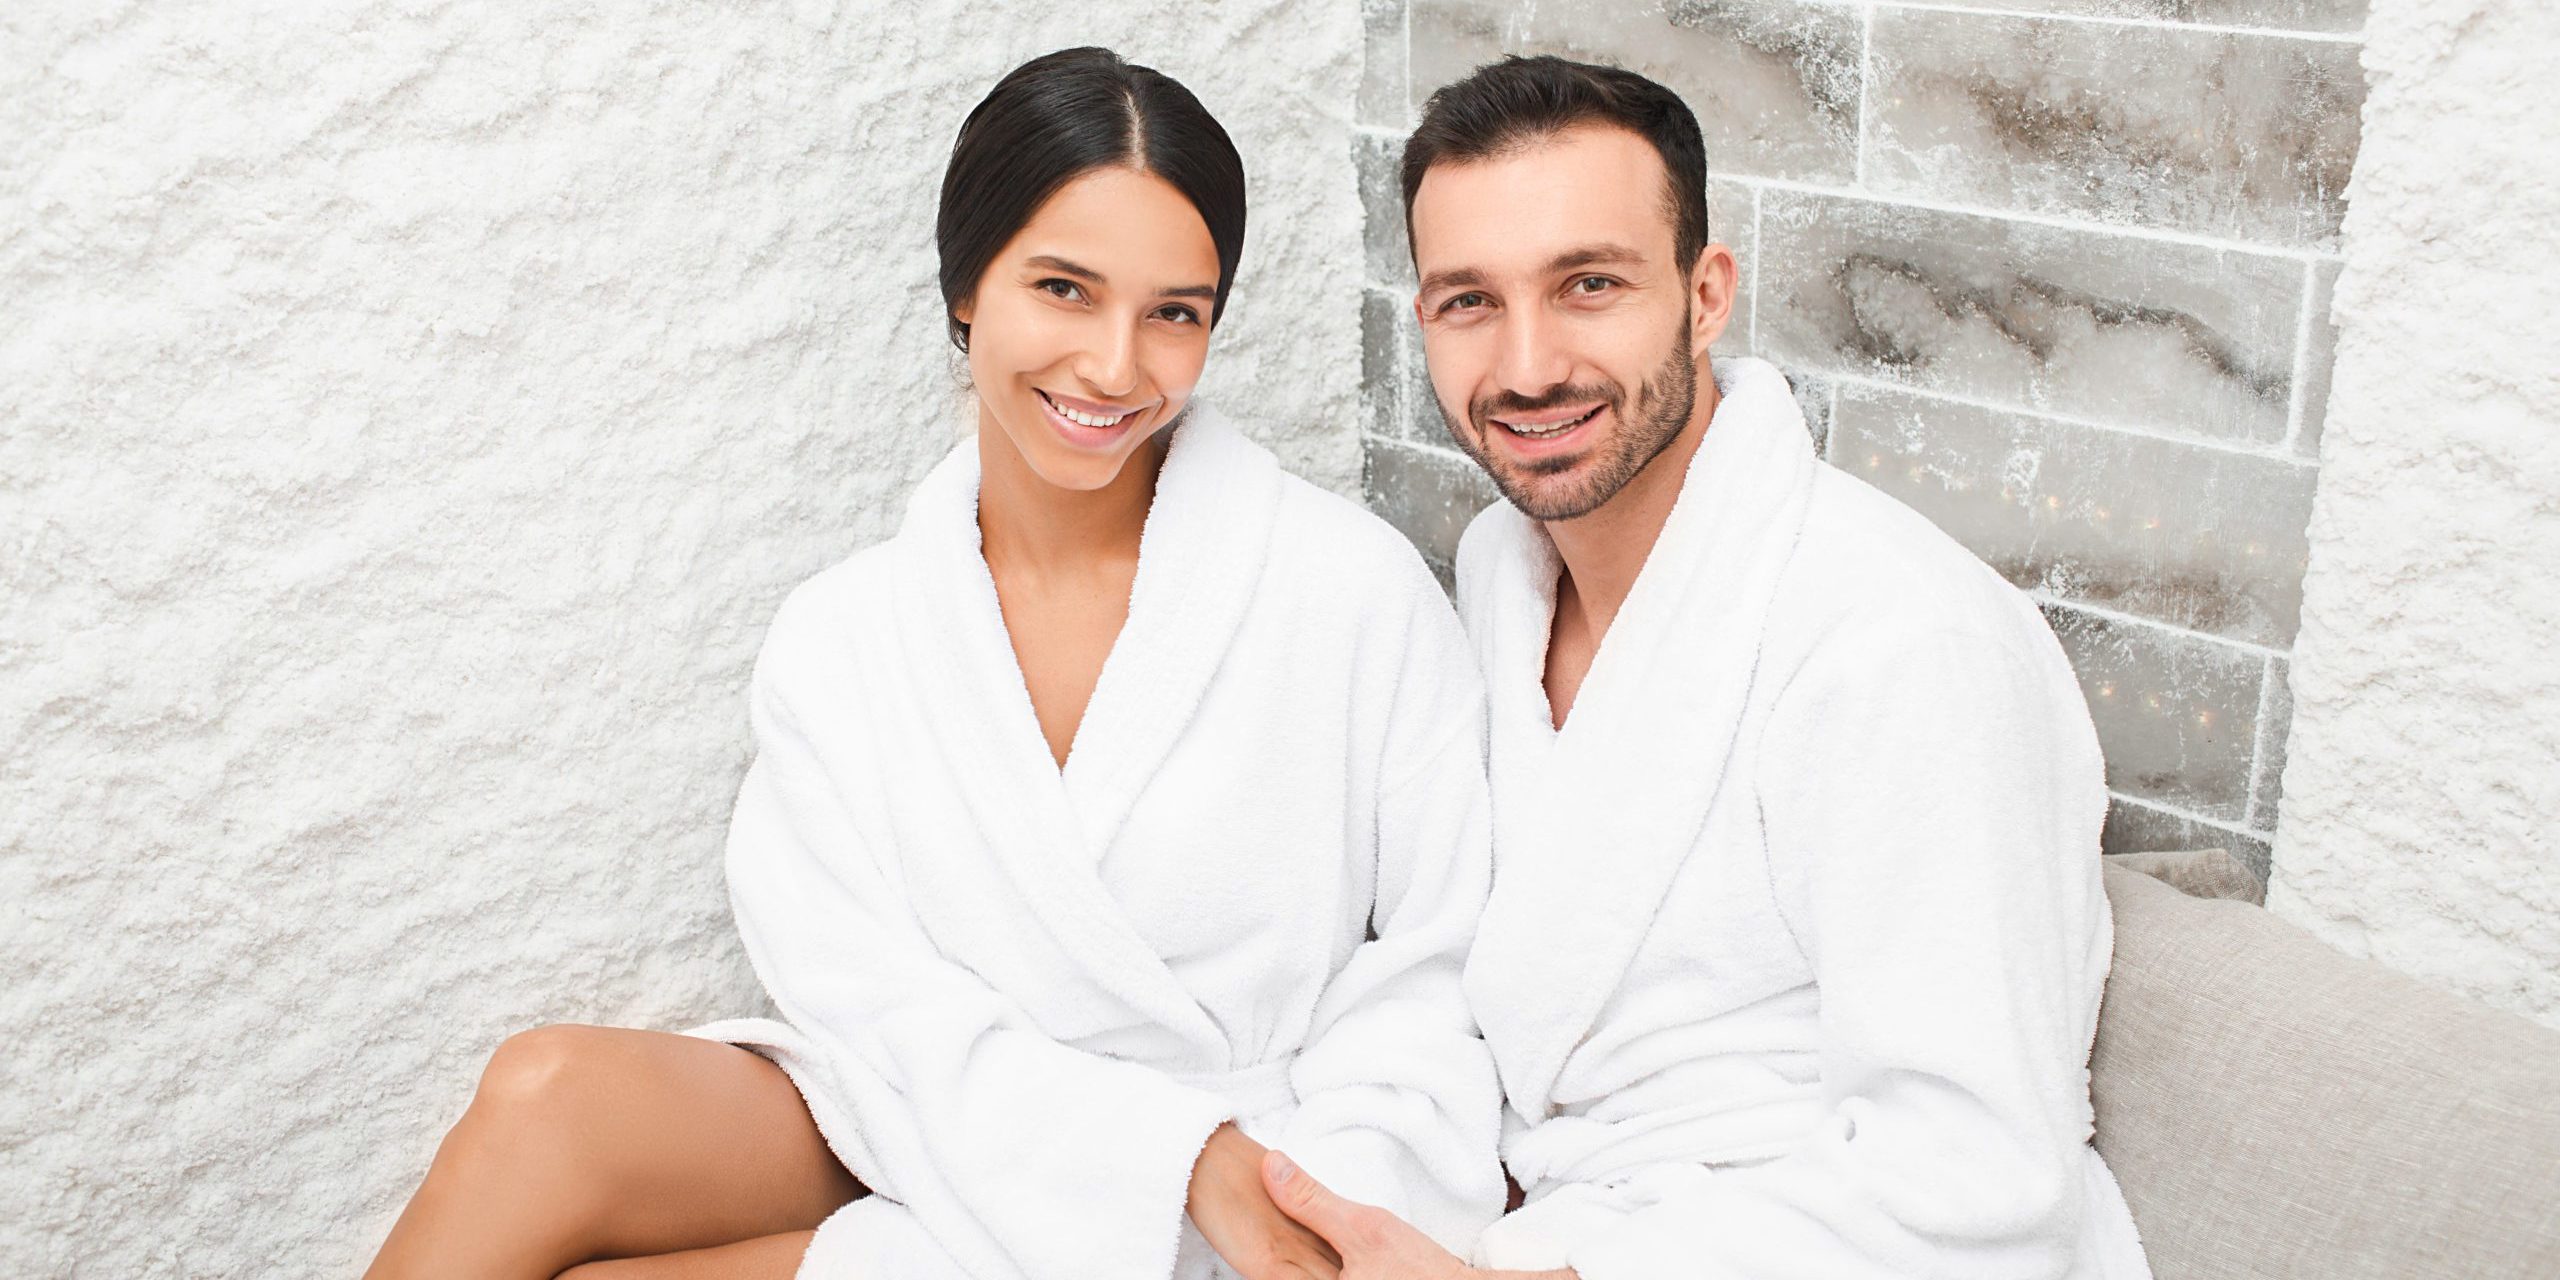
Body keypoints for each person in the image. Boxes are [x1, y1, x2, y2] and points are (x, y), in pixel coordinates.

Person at [362, 46, 1503, 1280]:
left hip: (1263, 1158)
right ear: (966, 290)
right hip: (945, 1118)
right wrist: (1167, 1155)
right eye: (1064, 289)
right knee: (545, 1091)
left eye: (1173, 311)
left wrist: (1283, 1189)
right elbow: (864, 1003)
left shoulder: (1348, 592)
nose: (1117, 367)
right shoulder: (845, 639)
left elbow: (1441, 967)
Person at [1258, 55, 2154, 1280]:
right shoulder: (1496, 574)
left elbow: (1979, 1166)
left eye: (1587, 283)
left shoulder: (1899, 646)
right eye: (1469, 300)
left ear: (1704, 293)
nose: (1524, 367)